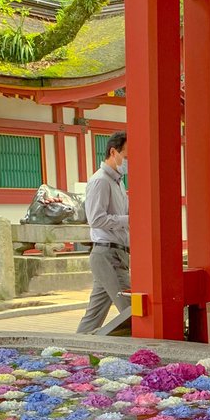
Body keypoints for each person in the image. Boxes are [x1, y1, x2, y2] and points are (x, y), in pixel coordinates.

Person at [76, 131, 131, 334]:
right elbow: (96, 219)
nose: (128, 162)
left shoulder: (118, 182)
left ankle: (76, 350)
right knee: (133, 311)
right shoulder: (100, 181)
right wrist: (129, 220)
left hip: (116, 253)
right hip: (107, 254)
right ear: (113, 152)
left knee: (94, 314)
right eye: (126, 157)